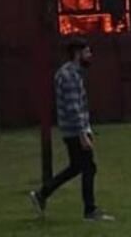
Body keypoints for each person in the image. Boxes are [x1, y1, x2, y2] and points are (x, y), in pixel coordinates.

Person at [29, 37, 114, 222]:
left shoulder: (71, 73)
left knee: (77, 167)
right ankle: (90, 211)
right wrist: (83, 133)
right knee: (89, 167)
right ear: (77, 53)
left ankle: (42, 194)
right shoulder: (69, 76)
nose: (90, 55)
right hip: (75, 131)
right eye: (87, 52)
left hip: (73, 129)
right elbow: (73, 107)